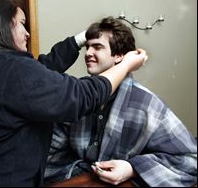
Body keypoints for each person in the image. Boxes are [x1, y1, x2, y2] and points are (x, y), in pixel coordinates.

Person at [0, 0, 147, 187]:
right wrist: (126, 65)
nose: (27, 32)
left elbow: (42, 68)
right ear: (4, 25)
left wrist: (80, 39)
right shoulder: (13, 70)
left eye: (98, 47)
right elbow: (80, 96)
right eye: (22, 24)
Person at [44, 17, 197, 187]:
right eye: (87, 47)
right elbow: (50, 147)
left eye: (97, 47)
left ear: (118, 56)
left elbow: (190, 160)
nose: (87, 53)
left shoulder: (146, 104)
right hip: (78, 177)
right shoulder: (79, 94)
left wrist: (132, 168)